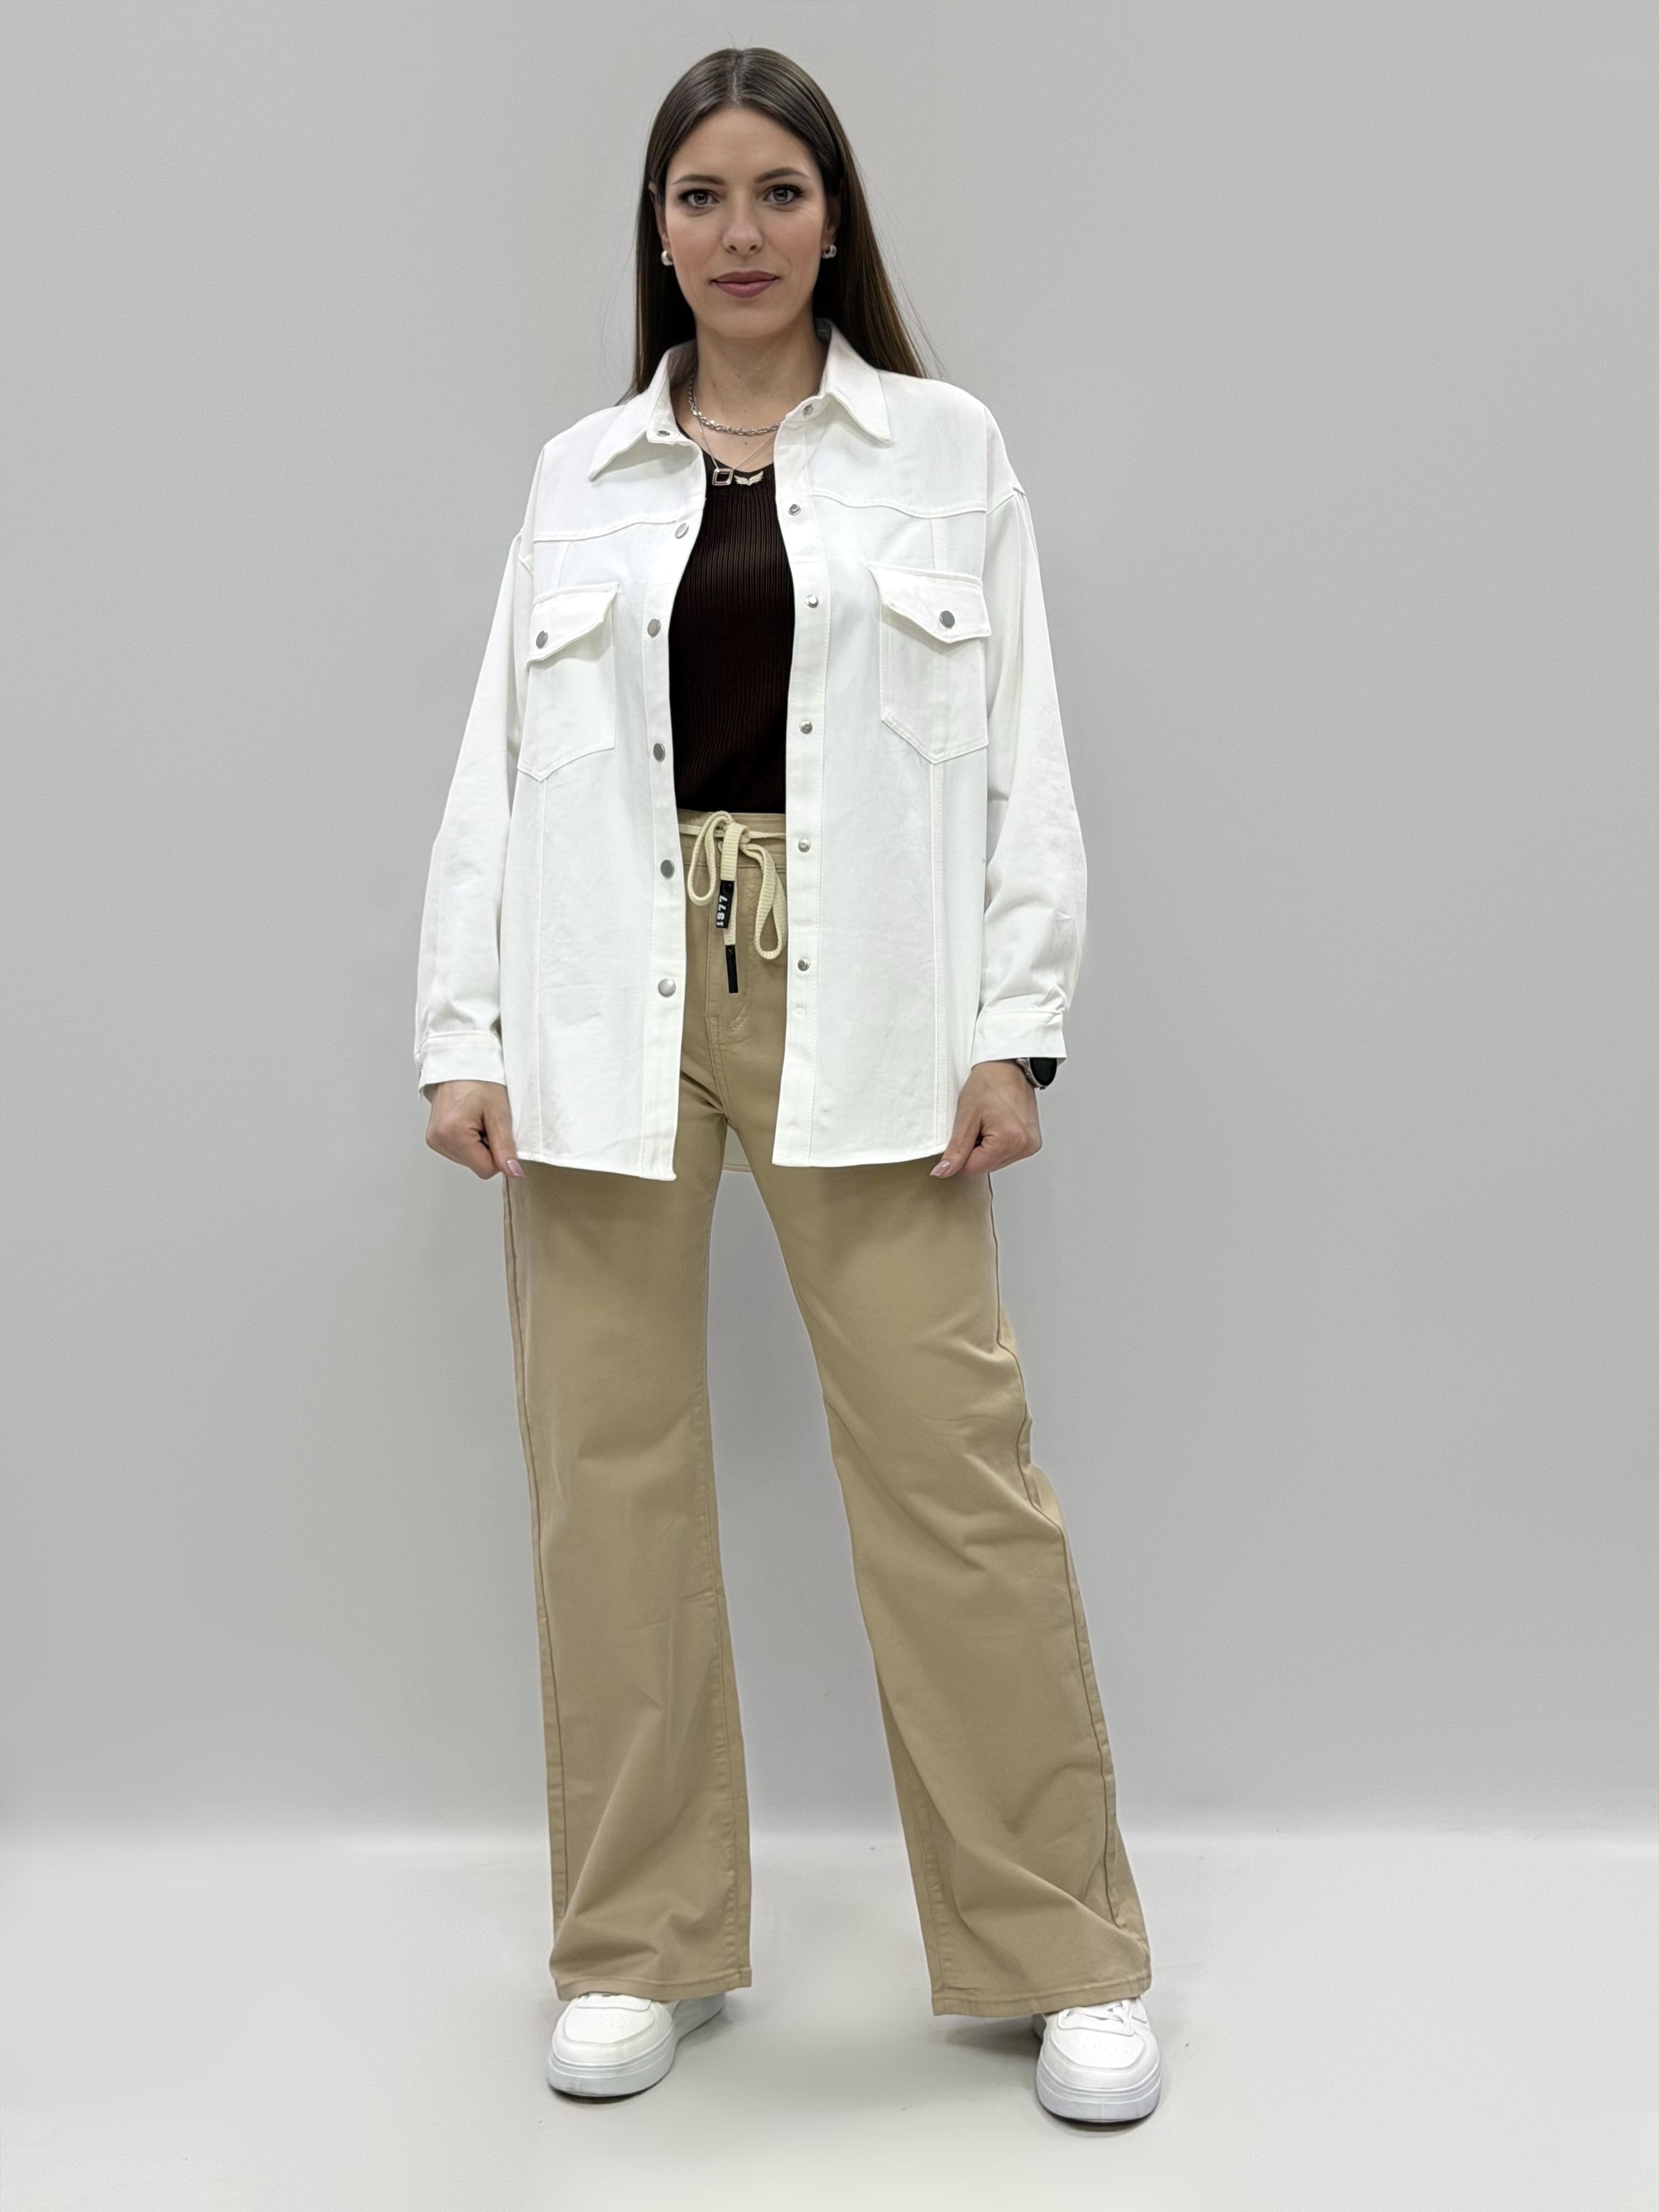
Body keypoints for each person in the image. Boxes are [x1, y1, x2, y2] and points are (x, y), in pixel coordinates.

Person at [414, 45, 1161, 2126]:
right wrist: (464, 1032)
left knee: (953, 1477)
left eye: (776, 192)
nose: (738, 233)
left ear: (835, 219)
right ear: (656, 234)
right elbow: (498, 769)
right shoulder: (580, 475)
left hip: (875, 1006)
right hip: (604, 996)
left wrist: (1019, 1021)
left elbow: (1026, 755)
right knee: (608, 1484)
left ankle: (1062, 1948)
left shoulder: (944, 449)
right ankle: (635, 1943)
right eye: (699, 197)